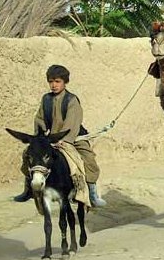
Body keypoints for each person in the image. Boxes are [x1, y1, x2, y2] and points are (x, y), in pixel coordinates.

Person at [14, 64, 107, 207]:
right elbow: (39, 118)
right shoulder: (46, 99)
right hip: (51, 138)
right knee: (28, 154)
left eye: (57, 81)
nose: (54, 85)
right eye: (51, 81)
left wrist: (64, 140)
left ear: (65, 82)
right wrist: (41, 137)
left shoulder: (71, 100)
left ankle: (92, 193)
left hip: (73, 137)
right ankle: (28, 188)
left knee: (88, 159)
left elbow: (72, 123)